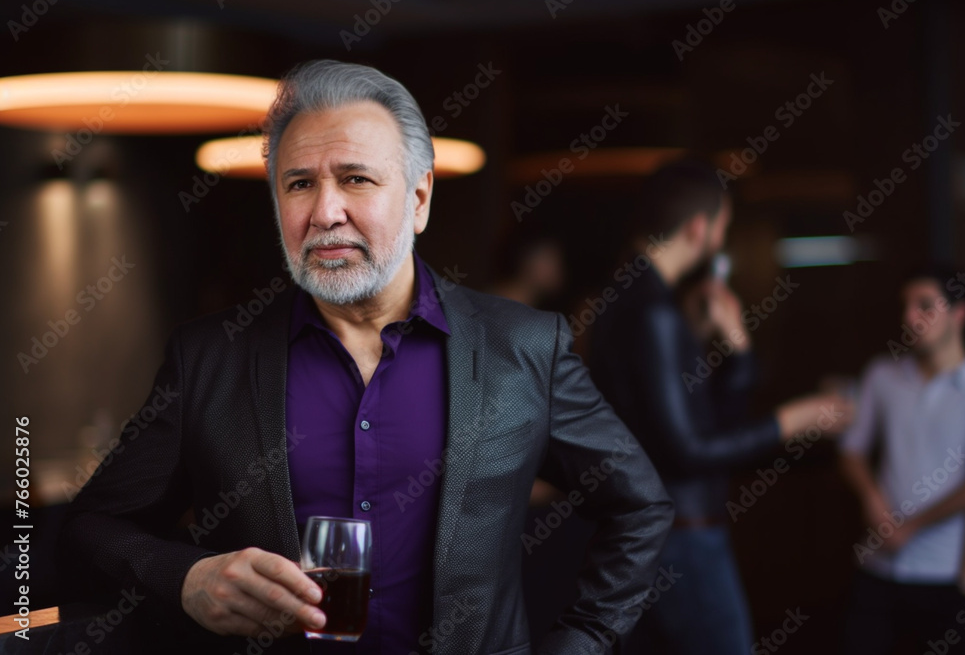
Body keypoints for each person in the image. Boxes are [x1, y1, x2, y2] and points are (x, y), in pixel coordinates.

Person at [57, 60, 673, 655]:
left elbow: (639, 506)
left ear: (419, 198)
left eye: (356, 178)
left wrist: (580, 642)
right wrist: (186, 579)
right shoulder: (209, 359)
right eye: (299, 184)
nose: (325, 213)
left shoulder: (525, 346)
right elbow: (93, 528)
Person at [587, 161, 850, 655]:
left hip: (639, 533)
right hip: (680, 537)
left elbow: (703, 420)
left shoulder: (630, 299)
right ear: (699, 229)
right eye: (724, 228)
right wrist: (794, 421)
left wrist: (736, 347)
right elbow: (689, 450)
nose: (722, 241)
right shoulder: (653, 311)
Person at [839, 265, 965, 655]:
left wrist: (911, 527)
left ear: (959, 314)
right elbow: (851, 451)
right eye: (906, 306)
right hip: (876, 566)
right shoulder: (881, 375)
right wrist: (872, 499)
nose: (910, 317)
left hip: (946, 573)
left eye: (924, 305)